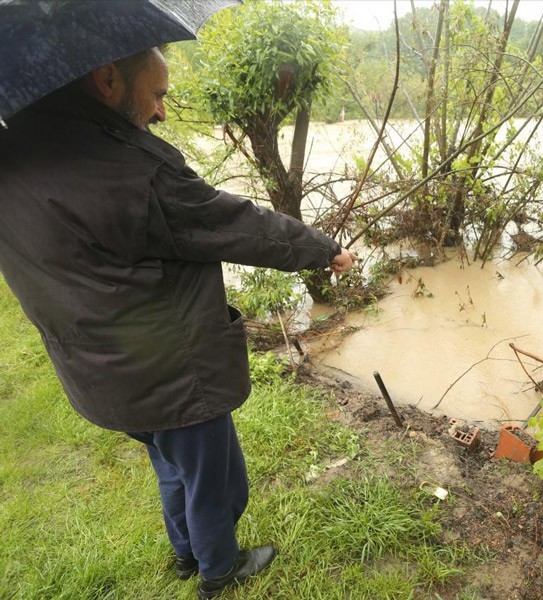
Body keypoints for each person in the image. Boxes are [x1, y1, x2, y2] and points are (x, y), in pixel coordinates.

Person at [0, 46, 355, 598]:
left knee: (171, 463)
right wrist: (318, 248)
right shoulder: (131, 171)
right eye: (159, 94)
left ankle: (187, 554)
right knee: (217, 480)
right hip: (166, 369)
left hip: (97, 368)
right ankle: (220, 570)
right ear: (108, 77)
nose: (162, 112)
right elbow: (231, 223)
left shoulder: (13, 150)